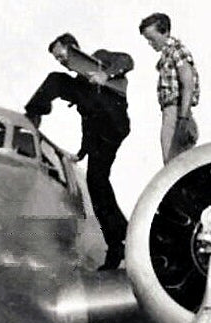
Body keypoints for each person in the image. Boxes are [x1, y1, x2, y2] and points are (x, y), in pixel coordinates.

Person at [25, 33, 133, 270]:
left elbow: (127, 60)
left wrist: (106, 74)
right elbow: (88, 122)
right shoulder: (84, 85)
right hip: (101, 133)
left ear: (72, 48)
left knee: (55, 80)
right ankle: (119, 242)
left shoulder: (100, 58)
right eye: (58, 59)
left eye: (62, 55)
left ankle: (31, 115)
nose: (61, 61)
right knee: (97, 184)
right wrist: (82, 152)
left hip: (112, 119)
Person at [139, 13, 200, 164]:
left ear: (165, 32)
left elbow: (188, 83)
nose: (150, 43)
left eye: (152, 39)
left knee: (173, 164)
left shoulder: (177, 50)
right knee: (176, 163)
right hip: (172, 112)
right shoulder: (167, 54)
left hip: (176, 111)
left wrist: (183, 118)